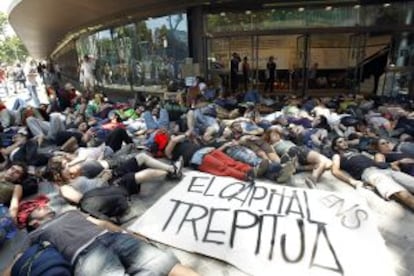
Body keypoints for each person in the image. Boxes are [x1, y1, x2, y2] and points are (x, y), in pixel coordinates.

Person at [22, 207, 199, 276]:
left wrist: (129, 233)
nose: (44, 206)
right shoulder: (35, 235)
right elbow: (21, 261)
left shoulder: (69, 212)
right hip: (86, 257)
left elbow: (102, 223)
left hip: (114, 238)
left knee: (166, 263)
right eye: (37, 209)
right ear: (33, 222)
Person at [331, 137, 414, 211]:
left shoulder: (357, 151)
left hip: (384, 169)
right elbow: (335, 171)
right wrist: (352, 181)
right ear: (335, 147)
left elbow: (363, 141)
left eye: (345, 140)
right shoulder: (338, 156)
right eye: (340, 142)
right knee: (398, 191)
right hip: (370, 173)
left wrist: (391, 165)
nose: (344, 142)